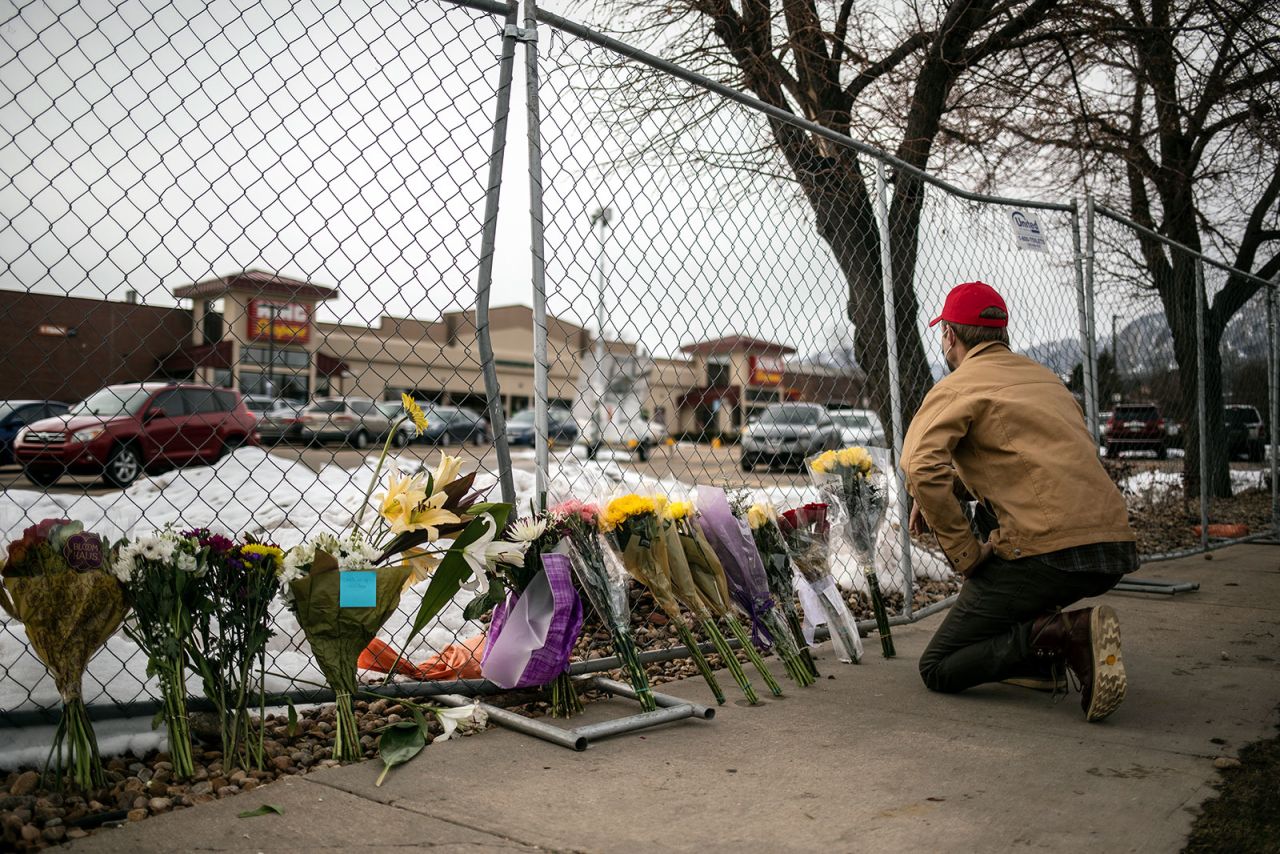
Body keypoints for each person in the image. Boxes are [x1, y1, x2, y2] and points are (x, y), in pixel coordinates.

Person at [901, 281, 1137, 722]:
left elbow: (918, 465)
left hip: (1051, 553)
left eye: (943, 335)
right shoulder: (1045, 380)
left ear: (949, 336)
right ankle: (1042, 662)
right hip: (1112, 548)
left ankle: (1069, 634)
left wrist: (966, 555)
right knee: (1001, 531)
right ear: (1001, 332)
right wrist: (950, 488)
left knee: (938, 667)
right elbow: (1025, 467)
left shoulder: (958, 386)